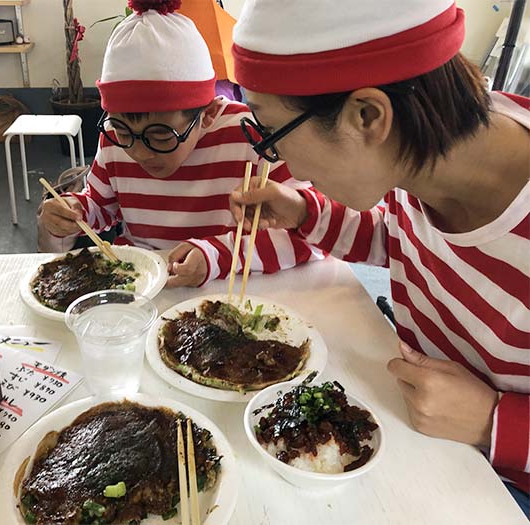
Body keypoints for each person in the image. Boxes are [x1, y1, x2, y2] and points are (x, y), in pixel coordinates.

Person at [229, 0, 529, 511]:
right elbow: (402, 241)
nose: (279, 162)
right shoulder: (428, 150)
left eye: (270, 133)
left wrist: (494, 421)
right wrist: (305, 212)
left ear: (367, 117)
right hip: (415, 428)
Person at [38, 0, 323, 288]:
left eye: (161, 136)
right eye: (124, 131)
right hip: (140, 284)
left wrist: (218, 256)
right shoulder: (114, 138)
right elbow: (102, 206)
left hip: (232, 287)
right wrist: (75, 211)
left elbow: (313, 236)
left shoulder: (255, 137)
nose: (138, 152)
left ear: (208, 114)